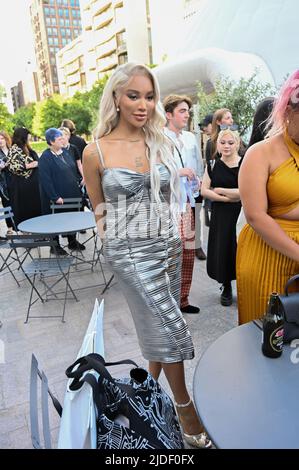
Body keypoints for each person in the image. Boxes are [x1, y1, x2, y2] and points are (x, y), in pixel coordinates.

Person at [83, 62, 211, 448]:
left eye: (150, 96)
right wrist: (116, 248)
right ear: (117, 98)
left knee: (159, 328)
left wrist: (178, 238)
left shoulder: (161, 141)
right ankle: (184, 406)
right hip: (130, 252)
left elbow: (171, 197)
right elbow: (99, 209)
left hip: (167, 243)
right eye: (133, 95)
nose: (143, 104)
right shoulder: (96, 151)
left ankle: (148, 394)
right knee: (172, 328)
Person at [237, 71, 299, 325]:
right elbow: (255, 216)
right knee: (269, 335)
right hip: (268, 254)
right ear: (287, 112)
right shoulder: (260, 153)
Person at [163, 94, 204, 315]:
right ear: (169, 114)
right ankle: (168, 302)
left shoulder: (189, 138)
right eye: (182, 111)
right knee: (172, 254)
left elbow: (196, 165)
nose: (187, 115)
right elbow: (152, 172)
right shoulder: (159, 139)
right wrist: (178, 172)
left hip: (188, 202)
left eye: (187, 111)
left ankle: (183, 299)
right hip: (169, 206)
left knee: (188, 252)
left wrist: (196, 179)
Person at [201, 129, 242, 306]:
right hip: (220, 214)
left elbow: (245, 192)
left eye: (230, 143)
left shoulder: (245, 164)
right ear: (217, 144)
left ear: (237, 144)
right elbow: (204, 191)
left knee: (241, 248)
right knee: (223, 249)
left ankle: (246, 284)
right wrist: (225, 198)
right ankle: (226, 286)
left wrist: (220, 190)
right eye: (223, 142)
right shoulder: (212, 165)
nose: (226, 146)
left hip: (240, 213)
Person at [39, 128, 85, 255]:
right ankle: (55, 246)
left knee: (71, 219)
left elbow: (72, 169)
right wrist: (55, 197)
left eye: (63, 137)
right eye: (59, 138)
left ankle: (72, 241)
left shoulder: (65, 152)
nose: (63, 139)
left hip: (71, 193)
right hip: (57, 197)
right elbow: (45, 180)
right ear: (51, 141)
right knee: (56, 221)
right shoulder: (45, 158)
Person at [7, 127, 41, 227]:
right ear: (22, 137)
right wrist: (31, 165)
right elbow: (14, 166)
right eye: (27, 137)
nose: (29, 139)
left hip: (32, 186)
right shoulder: (14, 150)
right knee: (26, 210)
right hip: (22, 187)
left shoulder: (26, 148)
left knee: (36, 209)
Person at [0, 131, 14, 234]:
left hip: (15, 181)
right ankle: (10, 228)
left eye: (2, 138)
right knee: (7, 205)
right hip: (2, 184)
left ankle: (19, 226)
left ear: (6, 139)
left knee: (17, 203)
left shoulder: (13, 150)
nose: (0, 141)